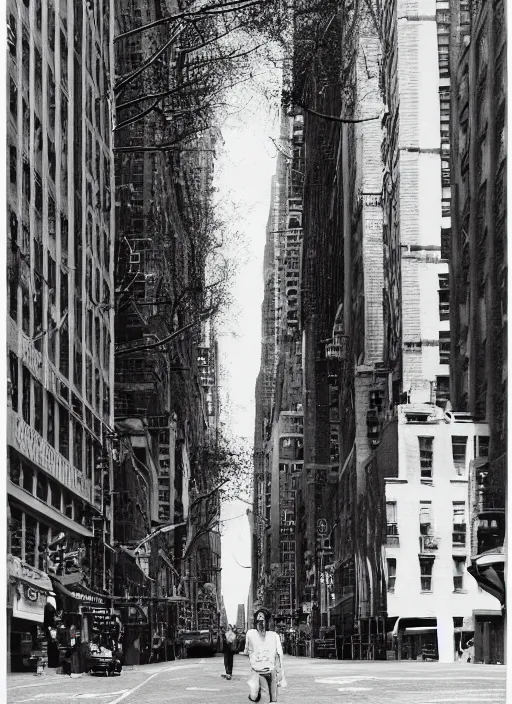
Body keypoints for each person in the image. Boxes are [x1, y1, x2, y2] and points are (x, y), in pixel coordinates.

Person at [244, 608, 285, 703]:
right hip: (257, 670)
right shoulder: (250, 634)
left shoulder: (274, 636)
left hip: (271, 670)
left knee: (273, 699)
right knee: (255, 696)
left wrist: (280, 673)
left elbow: (279, 655)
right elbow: (247, 650)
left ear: (266, 621)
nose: (260, 623)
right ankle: (256, 695)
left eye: (262, 620)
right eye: (258, 620)